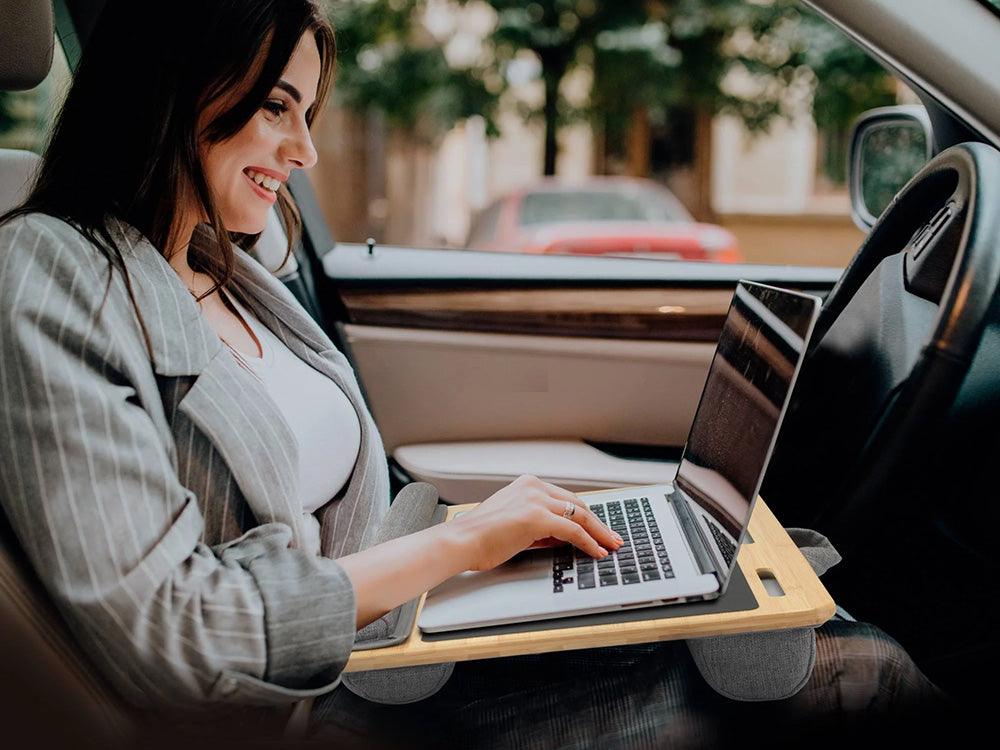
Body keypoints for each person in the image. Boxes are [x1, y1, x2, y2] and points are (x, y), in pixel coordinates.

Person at [0, 1, 952, 747]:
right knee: (862, 673)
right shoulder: (52, 268)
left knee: (799, 622)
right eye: (276, 105)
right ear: (179, 83)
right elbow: (171, 636)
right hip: (317, 710)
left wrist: (489, 547)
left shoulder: (222, 263)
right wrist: (461, 548)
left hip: (390, 646)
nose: (306, 148)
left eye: (309, 110)